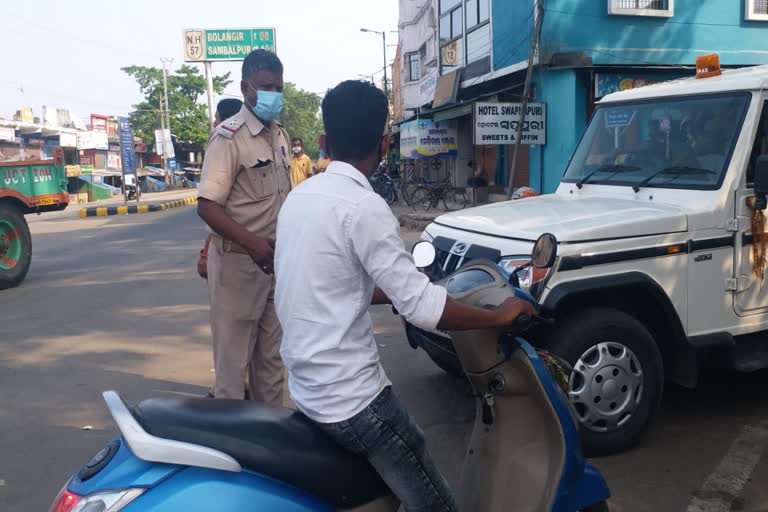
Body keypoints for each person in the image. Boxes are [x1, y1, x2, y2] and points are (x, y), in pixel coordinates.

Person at [274, 80, 536, 511]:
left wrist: (399, 289)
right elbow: (423, 309)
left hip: (308, 391)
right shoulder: (365, 206)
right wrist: (501, 316)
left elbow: (332, 282)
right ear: (383, 143)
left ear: (323, 141)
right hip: (356, 403)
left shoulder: (299, 199)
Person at [197, 49, 290, 403]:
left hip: (273, 267)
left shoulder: (278, 135)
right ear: (245, 88)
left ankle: (268, 450)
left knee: (271, 366)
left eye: (279, 87)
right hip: (238, 266)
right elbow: (207, 206)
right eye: (266, 86)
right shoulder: (228, 138)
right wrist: (252, 243)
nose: (273, 95)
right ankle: (233, 452)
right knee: (232, 375)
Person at [198, 98, 244, 280]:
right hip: (229, 248)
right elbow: (210, 207)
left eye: (216, 118)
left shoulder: (226, 142)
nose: (215, 123)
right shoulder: (220, 142)